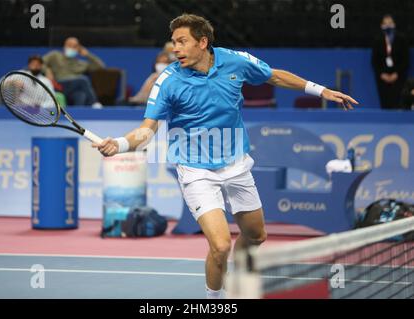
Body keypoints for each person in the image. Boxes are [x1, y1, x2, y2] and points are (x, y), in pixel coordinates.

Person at [92, 14, 358, 299]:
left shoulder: (234, 61)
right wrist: (119, 144)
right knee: (220, 246)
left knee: (256, 235)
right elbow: (147, 130)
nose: (176, 49)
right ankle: (215, 300)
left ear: (203, 42)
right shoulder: (167, 81)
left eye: (182, 42)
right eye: (173, 43)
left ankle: (237, 280)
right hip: (196, 170)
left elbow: (275, 75)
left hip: (236, 164)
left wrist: (322, 91)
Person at [43, 37, 104, 108]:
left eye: (75, 46)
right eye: (69, 45)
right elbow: (40, 62)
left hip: (72, 89)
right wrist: (47, 70)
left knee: (81, 95)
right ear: (64, 46)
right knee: (83, 80)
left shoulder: (80, 63)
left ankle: (77, 116)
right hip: (59, 85)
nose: (71, 47)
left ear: (78, 49)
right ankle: (94, 103)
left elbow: (100, 66)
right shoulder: (55, 55)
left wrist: (87, 54)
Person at [371, 15, 410, 109]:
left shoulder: (401, 40)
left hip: (398, 77)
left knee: (397, 102)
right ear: (381, 25)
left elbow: (405, 60)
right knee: (385, 102)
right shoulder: (378, 40)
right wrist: (381, 74)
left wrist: (396, 74)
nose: (388, 26)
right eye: (385, 23)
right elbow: (374, 61)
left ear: (394, 24)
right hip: (382, 77)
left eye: (390, 23)